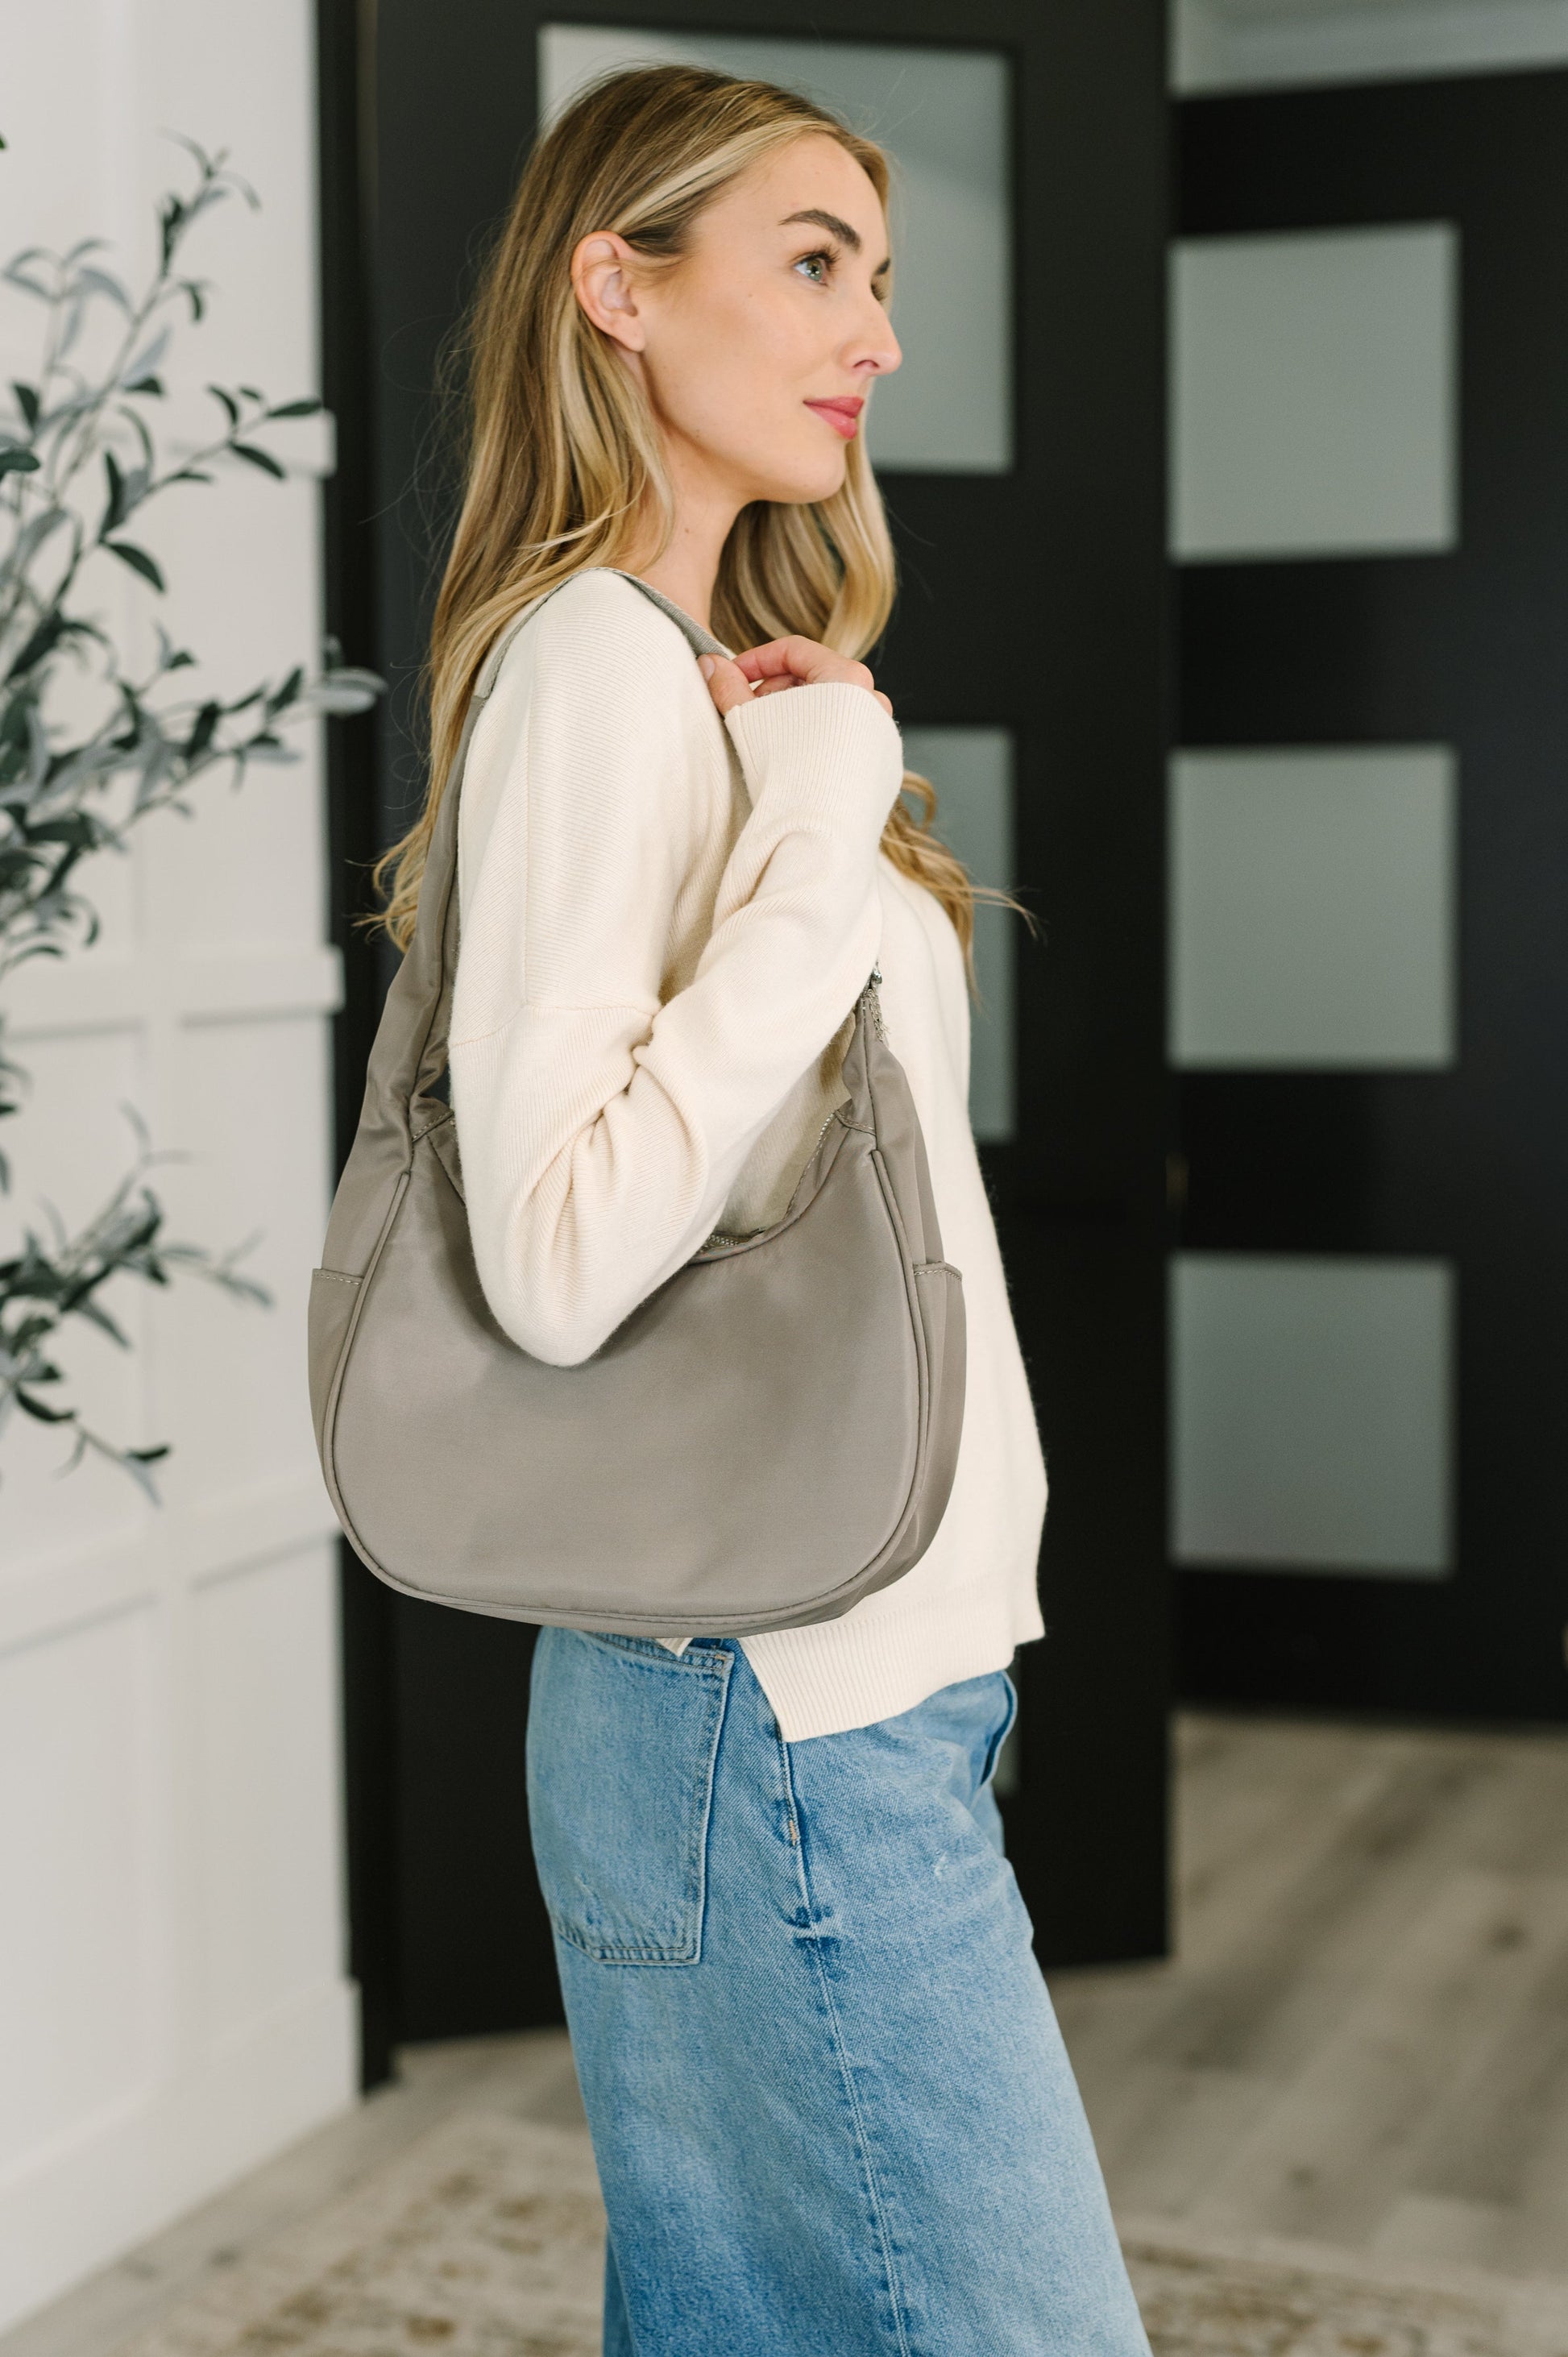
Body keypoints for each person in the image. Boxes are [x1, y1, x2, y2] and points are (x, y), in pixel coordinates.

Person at [373, 61, 1150, 2357]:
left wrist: (811, 791)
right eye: (812, 262)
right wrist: (827, 812)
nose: (874, 334)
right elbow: (560, 1243)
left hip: (844, 1690)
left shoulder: (700, 680)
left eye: (879, 279)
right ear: (617, 284)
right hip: (765, 1707)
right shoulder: (598, 670)